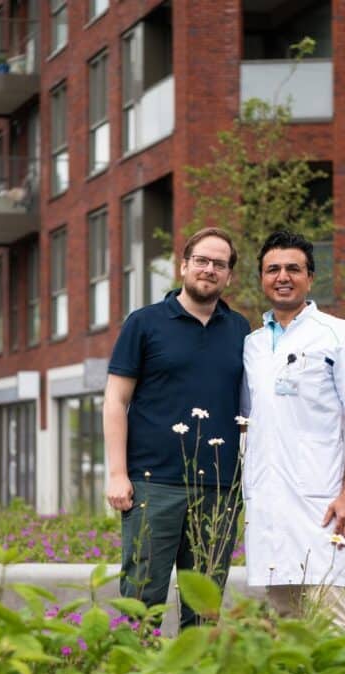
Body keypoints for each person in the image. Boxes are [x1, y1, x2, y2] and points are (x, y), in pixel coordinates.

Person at [104, 227, 251, 628]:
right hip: (154, 484)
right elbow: (116, 400)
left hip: (219, 489)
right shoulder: (145, 323)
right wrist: (118, 474)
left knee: (204, 609)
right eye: (201, 260)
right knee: (141, 602)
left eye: (219, 264)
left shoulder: (241, 330)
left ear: (229, 276)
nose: (209, 269)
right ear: (184, 266)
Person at [241, 230, 345, 633]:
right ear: (262, 279)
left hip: (321, 502)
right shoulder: (252, 344)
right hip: (267, 503)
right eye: (273, 269)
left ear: (310, 278)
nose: (283, 276)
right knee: (283, 622)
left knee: (328, 619)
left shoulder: (338, 334)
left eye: (293, 269)